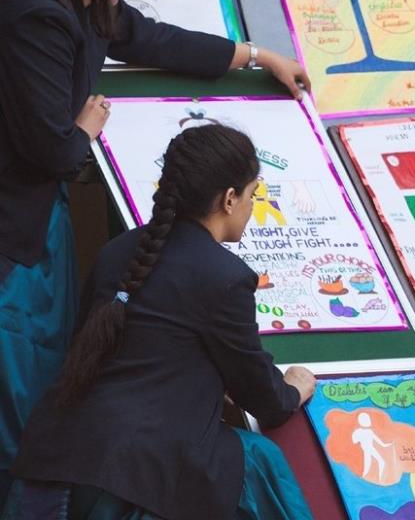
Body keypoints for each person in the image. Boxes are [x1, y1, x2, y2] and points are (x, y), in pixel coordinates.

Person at [0, 0, 311, 495]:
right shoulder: (35, 15)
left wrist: (256, 56)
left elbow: (155, 40)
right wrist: (85, 131)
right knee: (18, 379)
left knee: (40, 369)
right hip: (14, 232)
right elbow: (50, 150)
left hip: (42, 225)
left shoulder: (87, 3)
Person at [4, 123, 316, 520]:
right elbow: (262, 396)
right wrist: (292, 389)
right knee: (259, 460)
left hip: (52, 460)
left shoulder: (117, 250)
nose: (253, 207)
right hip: (131, 480)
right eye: (253, 194)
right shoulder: (226, 276)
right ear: (229, 198)